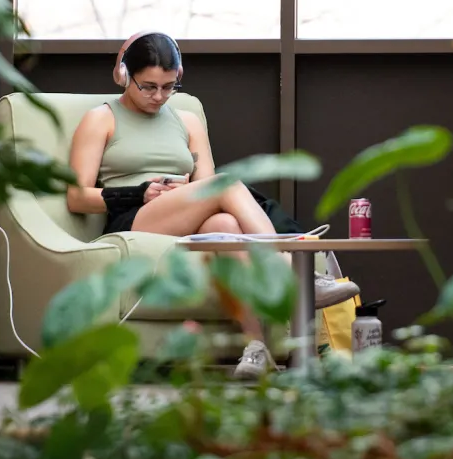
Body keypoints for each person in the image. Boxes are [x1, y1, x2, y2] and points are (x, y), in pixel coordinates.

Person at [65, 31, 360, 379]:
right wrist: (138, 192)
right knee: (227, 184)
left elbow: (205, 185)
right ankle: (290, 273)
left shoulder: (187, 121)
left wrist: (183, 192)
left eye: (168, 86)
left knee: (226, 227)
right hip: (132, 216)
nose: (158, 96)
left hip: (183, 213)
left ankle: (255, 348)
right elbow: (77, 196)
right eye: (147, 86)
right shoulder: (101, 118)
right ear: (124, 75)